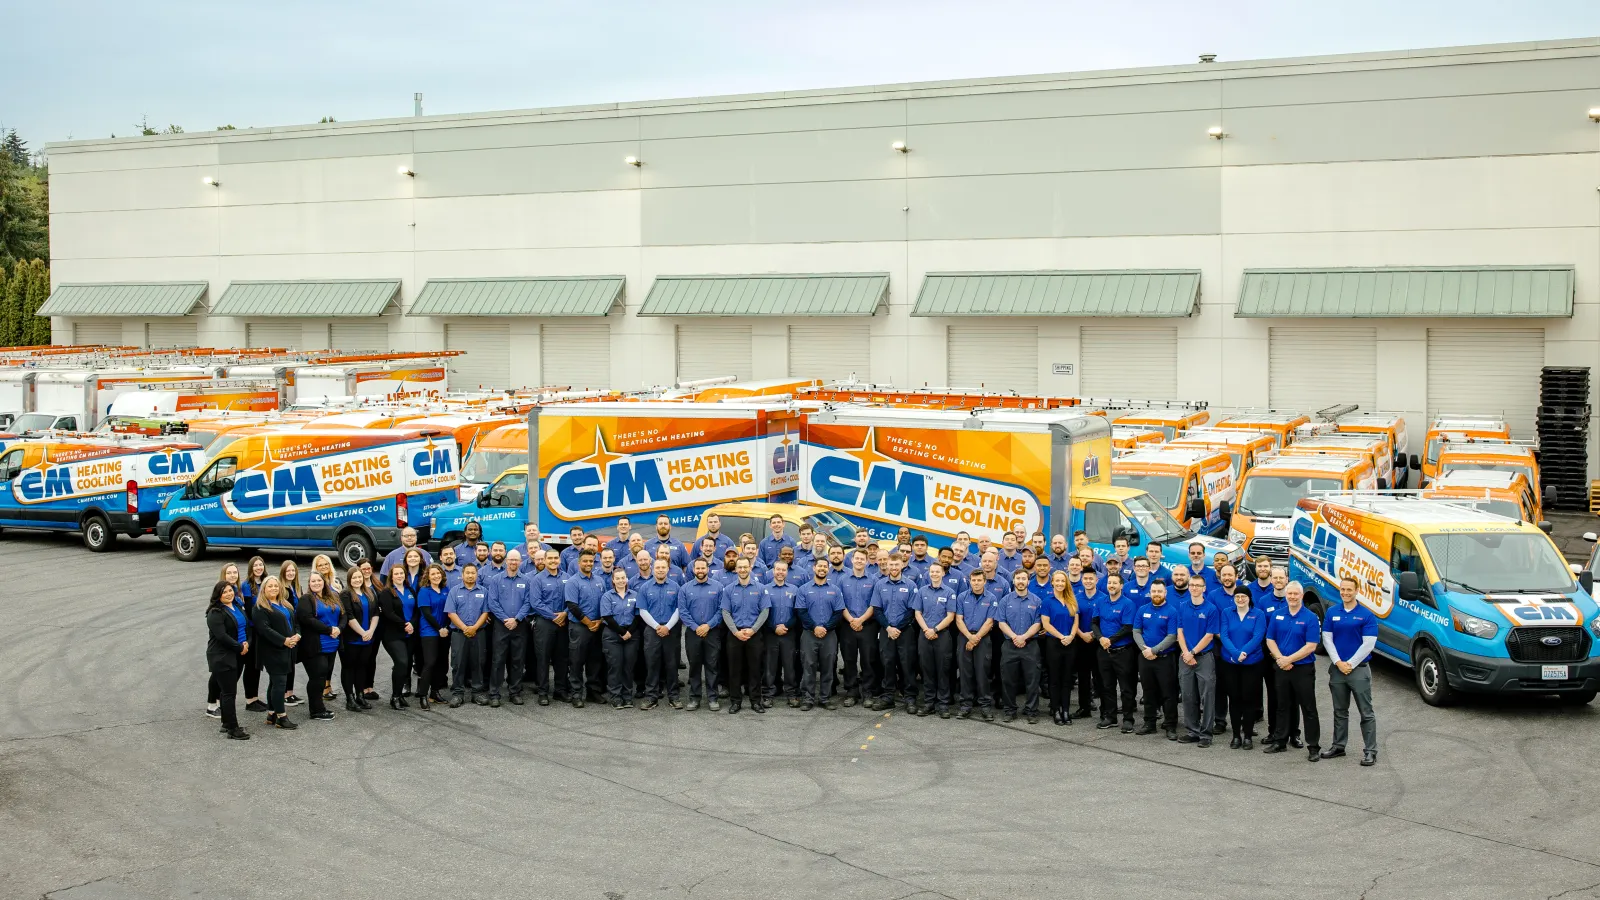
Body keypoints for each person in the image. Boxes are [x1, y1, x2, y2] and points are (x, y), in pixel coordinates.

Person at [1321, 576, 1379, 766]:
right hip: (1338, 669)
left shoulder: (1366, 614)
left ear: (1357, 591)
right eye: (1342, 589)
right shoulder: (1332, 612)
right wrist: (1338, 662)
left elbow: (1368, 644)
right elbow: (1327, 638)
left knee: (1366, 712)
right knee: (1340, 711)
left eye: (1349, 590)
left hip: (1359, 670)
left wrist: (1350, 664)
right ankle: (1338, 746)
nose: (1345, 593)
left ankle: (1370, 751)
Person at [1264, 581, 1322, 760]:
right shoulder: (1278, 615)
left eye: (1296, 594)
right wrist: (1280, 659)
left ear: (1302, 596)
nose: (1292, 597)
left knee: (1308, 707)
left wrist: (1288, 659)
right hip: (1282, 667)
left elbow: (1311, 646)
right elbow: (1270, 640)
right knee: (1282, 706)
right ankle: (1280, 741)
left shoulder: (1310, 617)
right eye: (1290, 594)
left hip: (1303, 669)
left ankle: (1313, 747)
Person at [1219, 587, 1268, 750]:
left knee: (1249, 699)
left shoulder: (1258, 614)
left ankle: (1247, 736)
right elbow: (1224, 635)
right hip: (1231, 662)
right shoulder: (1227, 612)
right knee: (1234, 699)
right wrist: (1235, 653)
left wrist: (1244, 652)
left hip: (1252, 663)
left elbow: (1258, 636)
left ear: (1249, 598)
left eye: (1243, 596)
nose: (1240, 599)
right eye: (1237, 596)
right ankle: (1235, 736)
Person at [720, 558, 770, 713]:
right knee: (734, 669)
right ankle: (736, 701)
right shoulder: (728, 589)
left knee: (755, 669)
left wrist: (753, 630)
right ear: (736, 569)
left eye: (745, 567)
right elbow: (725, 612)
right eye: (739, 567)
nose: (742, 569)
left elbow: (765, 611)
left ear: (750, 568)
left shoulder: (760, 588)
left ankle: (756, 701)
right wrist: (735, 631)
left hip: (754, 634)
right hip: (735, 634)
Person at [251, 576, 301, 730]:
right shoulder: (259, 608)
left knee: (275, 683)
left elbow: (295, 622)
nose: (273, 588)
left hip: (288, 648)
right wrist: (284, 640)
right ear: (263, 589)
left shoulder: (285, 604)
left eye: (276, 586)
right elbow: (265, 630)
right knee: (280, 683)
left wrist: (297, 635)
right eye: (269, 586)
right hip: (273, 650)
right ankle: (281, 717)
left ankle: (271, 714)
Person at [1091, 572, 1139, 733]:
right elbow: (1094, 623)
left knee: (1126, 687)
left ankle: (1127, 719)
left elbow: (1127, 628)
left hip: (1123, 652)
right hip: (1104, 651)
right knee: (1107, 686)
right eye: (1109, 583)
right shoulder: (1100, 602)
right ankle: (1110, 717)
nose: (1111, 585)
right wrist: (1101, 638)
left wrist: (1110, 640)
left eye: (1115, 583)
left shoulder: (1128, 604)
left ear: (1121, 586)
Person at [1176, 578, 1221, 747]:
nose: (1194, 588)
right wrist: (1186, 653)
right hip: (1185, 657)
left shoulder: (1211, 609)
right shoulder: (1182, 606)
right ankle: (1192, 731)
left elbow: (1210, 635)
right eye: (1192, 585)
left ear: (1204, 588)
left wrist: (1193, 652)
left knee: (1207, 696)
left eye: (1198, 586)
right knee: (1188, 695)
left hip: (1204, 657)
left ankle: (1206, 734)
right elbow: (1179, 632)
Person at [870, 554, 918, 712]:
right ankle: (888, 695)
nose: (894, 568)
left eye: (897, 565)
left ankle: (910, 696)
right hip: (886, 631)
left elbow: (912, 610)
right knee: (887, 662)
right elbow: (877, 610)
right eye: (891, 565)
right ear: (887, 566)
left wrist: (898, 628)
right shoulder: (880, 584)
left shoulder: (911, 585)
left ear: (903, 565)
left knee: (907, 663)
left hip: (905, 631)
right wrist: (889, 627)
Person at [1132, 581, 1180, 739]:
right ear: (1150, 593)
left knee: (1168, 693)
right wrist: (1144, 650)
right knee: (1148, 691)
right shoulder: (1142, 609)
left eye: (1159, 591)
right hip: (1145, 657)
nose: (1156, 594)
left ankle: (1170, 725)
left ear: (1165, 593)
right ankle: (1149, 723)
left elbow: (1172, 636)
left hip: (1165, 658)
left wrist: (1154, 650)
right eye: (1153, 591)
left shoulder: (1172, 611)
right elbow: (1136, 631)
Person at [205, 582, 252, 740]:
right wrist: (240, 647)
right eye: (224, 592)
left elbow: (247, 627)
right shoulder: (215, 612)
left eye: (230, 591)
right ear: (218, 594)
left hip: (238, 653)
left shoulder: (237, 606)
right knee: (229, 693)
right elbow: (221, 636)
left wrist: (247, 643)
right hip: (222, 656)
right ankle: (233, 728)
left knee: (229, 691)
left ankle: (226, 723)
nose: (228, 594)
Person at [995, 569, 1043, 724]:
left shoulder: (1036, 601)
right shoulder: (1005, 600)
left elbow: (1038, 623)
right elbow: (1001, 622)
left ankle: (1032, 711)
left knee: (1032, 680)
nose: (1021, 581)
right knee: (1008, 679)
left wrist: (1024, 637)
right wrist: (1015, 637)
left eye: (1024, 578)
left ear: (1028, 581)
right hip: (1010, 645)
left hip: (1030, 645)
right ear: (1013, 581)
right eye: (1018, 579)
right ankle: (1010, 710)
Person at [910, 562, 956, 718]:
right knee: (927, 669)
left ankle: (943, 704)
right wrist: (926, 630)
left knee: (943, 669)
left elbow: (950, 616)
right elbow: (917, 613)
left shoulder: (949, 592)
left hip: (942, 635)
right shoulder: (922, 591)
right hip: (925, 634)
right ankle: (929, 702)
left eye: (938, 571)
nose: (935, 574)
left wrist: (935, 630)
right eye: (932, 571)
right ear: (929, 574)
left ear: (943, 573)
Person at [485, 551, 531, 708]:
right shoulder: (497, 580)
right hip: (501, 625)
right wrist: (506, 619)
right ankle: (494, 693)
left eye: (516, 560)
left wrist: (517, 619)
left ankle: (515, 692)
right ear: (506, 561)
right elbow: (493, 602)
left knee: (517, 660)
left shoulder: (526, 580)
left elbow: (528, 602)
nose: (513, 562)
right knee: (498, 660)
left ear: (520, 562)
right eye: (511, 559)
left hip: (520, 625)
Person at [563, 550, 608, 707]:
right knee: (576, 661)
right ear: (578, 563)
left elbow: (604, 602)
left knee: (595, 660)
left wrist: (600, 621)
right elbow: (572, 606)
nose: (589, 564)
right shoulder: (573, 582)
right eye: (585, 561)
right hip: (579, 627)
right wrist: (589, 623)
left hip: (597, 626)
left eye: (591, 561)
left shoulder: (600, 580)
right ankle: (576, 693)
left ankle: (593, 691)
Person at [295, 572, 341, 722]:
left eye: (319, 580)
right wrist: (329, 630)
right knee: (317, 676)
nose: (316, 583)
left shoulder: (332, 596)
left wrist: (339, 628)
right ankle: (316, 710)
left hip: (332, 643)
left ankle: (319, 707)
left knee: (324, 675)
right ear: (309, 584)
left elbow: (344, 614)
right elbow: (307, 619)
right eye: (313, 581)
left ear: (324, 582)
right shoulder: (306, 599)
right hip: (314, 644)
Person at [678, 558, 724, 711]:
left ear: (708, 569)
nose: (700, 571)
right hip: (693, 633)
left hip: (712, 633)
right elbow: (683, 612)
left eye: (703, 568)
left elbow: (721, 610)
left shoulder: (718, 587)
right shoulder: (685, 588)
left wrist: (708, 626)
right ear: (693, 570)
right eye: (697, 568)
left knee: (712, 665)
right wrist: (696, 627)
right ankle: (694, 698)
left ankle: (712, 698)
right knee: (695, 666)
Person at [638, 558, 683, 711]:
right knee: (652, 664)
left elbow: (679, 609)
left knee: (671, 665)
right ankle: (651, 697)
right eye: (657, 567)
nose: (660, 570)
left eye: (663, 567)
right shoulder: (645, 587)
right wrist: (658, 626)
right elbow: (642, 610)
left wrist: (667, 626)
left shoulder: (676, 587)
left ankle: (674, 697)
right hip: (652, 630)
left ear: (667, 569)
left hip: (671, 630)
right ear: (653, 568)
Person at [445, 564, 491, 707]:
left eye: (473, 573)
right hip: (459, 633)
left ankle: (476, 693)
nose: (470, 575)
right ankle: (458, 693)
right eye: (467, 573)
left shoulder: (483, 591)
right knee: (458, 663)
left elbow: (485, 612)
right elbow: (451, 613)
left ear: (477, 575)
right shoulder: (454, 591)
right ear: (462, 575)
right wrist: (465, 628)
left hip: (479, 633)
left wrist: (475, 627)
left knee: (478, 662)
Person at [954, 568, 997, 721]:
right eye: (974, 580)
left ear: (985, 581)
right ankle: (966, 705)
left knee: (982, 672)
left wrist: (976, 638)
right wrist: (969, 637)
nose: (976, 583)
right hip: (964, 636)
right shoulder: (961, 597)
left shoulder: (991, 598)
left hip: (983, 638)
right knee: (965, 673)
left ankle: (985, 706)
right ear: (969, 581)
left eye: (979, 580)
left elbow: (990, 621)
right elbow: (958, 619)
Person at [1039, 569, 1081, 726]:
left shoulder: (1072, 600)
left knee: (1067, 679)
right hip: (1054, 644)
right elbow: (1046, 624)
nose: (1060, 583)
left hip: (1070, 643)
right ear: (1052, 582)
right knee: (1055, 678)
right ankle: (1056, 710)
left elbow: (1076, 621)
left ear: (1066, 583)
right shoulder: (1047, 601)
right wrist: (1061, 637)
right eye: (1057, 581)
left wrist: (1070, 636)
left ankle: (1065, 710)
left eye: (1062, 581)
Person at [838, 550, 879, 707]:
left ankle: (867, 692)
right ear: (852, 560)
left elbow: (874, 604)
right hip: (848, 625)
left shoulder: (874, 580)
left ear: (867, 561)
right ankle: (851, 691)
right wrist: (851, 620)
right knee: (849, 659)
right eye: (857, 558)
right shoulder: (843, 580)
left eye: (862, 559)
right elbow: (840, 603)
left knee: (868, 660)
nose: (859, 561)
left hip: (867, 625)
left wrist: (861, 620)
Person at [528, 550, 569, 706]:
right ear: (544, 560)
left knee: (562, 659)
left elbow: (572, 599)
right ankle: (543, 692)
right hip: (544, 622)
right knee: (543, 658)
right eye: (550, 558)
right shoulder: (537, 580)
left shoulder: (567, 578)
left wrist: (564, 614)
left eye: (555, 558)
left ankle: (560, 691)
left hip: (563, 623)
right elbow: (535, 603)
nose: (553, 560)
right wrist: (554, 617)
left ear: (559, 560)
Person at [338, 567, 380, 711]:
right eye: (354, 578)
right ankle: (350, 699)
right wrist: (363, 632)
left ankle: (360, 695)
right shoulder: (345, 594)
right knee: (349, 668)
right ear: (349, 579)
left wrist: (371, 631)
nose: (357, 580)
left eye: (359, 577)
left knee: (362, 667)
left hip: (368, 638)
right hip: (352, 639)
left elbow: (375, 612)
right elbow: (349, 616)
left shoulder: (369, 592)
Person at [599, 568, 642, 710]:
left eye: (623, 578)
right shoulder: (607, 596)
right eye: (617, 578)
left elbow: (638, 616)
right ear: (613, 580)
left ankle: (627, 696)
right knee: (615, 666)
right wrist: (622, 632)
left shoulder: (635, 595)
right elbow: (607, 617)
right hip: (612, 634)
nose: (621, 581)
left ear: (627, 579)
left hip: (632, 635)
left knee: (628, 667)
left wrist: (629, 632)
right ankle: (616, 697)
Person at [763, 560, 801, 708]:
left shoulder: (794, 589)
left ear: (787, 572)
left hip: (788, 633)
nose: (780, 572)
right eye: (777, 569)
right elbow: (763, 612)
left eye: (783, 570)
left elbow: (797, 613)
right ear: (773, 571)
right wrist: (774, 628)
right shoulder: (764, 589)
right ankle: (768, 694)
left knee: (790, 664)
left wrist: (785, 626)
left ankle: (791, 693)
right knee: (770, 665)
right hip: (770, 633)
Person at [415, 564, 450, 709]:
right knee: (429, 663)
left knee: (441, 663)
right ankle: (422, 695)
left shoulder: (446, 590)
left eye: (438, 573)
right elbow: (426, 613)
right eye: (433, 574)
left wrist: (446, 628)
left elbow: (449, 610)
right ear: (428, 576)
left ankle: (434, 692)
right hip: (429, 631)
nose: (436, 576)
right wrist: (439, 628)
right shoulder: (424, 591)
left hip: (445, 631)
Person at [277, 560, 305, 706]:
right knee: (287, 663)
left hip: (296, 627)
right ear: (283, 572)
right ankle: (284, 694)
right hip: (287, 628)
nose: (291, 573)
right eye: (288, 571)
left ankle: (290, 693)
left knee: (292, 663)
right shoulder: (281, 588)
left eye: (293, 570)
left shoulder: (297, 587)